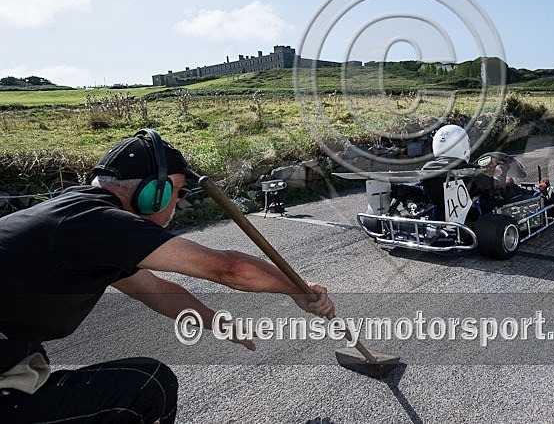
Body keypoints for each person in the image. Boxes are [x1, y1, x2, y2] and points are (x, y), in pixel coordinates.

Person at [0, 129, 334, 423]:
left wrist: (218, 321)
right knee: (145, 387)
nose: (177, 200)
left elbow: (154, 290)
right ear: (153, 192)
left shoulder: (78, 216)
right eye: (177, 190)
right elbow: (229, 269)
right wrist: (297, 288)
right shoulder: (98, 221)